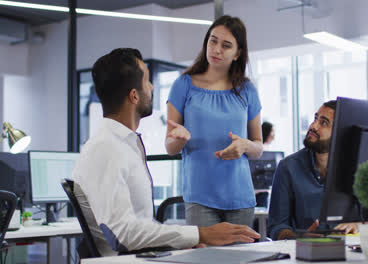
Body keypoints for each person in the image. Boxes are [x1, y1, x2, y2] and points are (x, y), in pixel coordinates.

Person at [72, 48, 259, 257]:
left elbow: (138, 226)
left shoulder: (122, 144)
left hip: (142, 256)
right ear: (134, 96)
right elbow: (123, 234)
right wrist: (199, 234)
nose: (152, 88)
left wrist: (182, 241)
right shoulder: (106, 149)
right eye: (147, 82)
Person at [165, 15, 263, 228]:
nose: (217, 49)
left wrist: (245, 145)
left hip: (240, 197)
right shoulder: (184, 85)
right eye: (213, 40)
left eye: (226, 45)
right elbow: (170, 148)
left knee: (241, 261)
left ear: (238, 53)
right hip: (200, 197)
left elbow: (258, 148)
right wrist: (180, 139)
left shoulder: (247, 90)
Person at [268, 100, 359, 240]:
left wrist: (359, 226)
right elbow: (276, 227)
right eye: (315, 119)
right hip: (306, 254)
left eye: (323, 123)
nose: (313, 126)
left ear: (340, 133)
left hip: (352, 252)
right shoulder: (288, 167)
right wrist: (300, 236)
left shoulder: (358, 168)